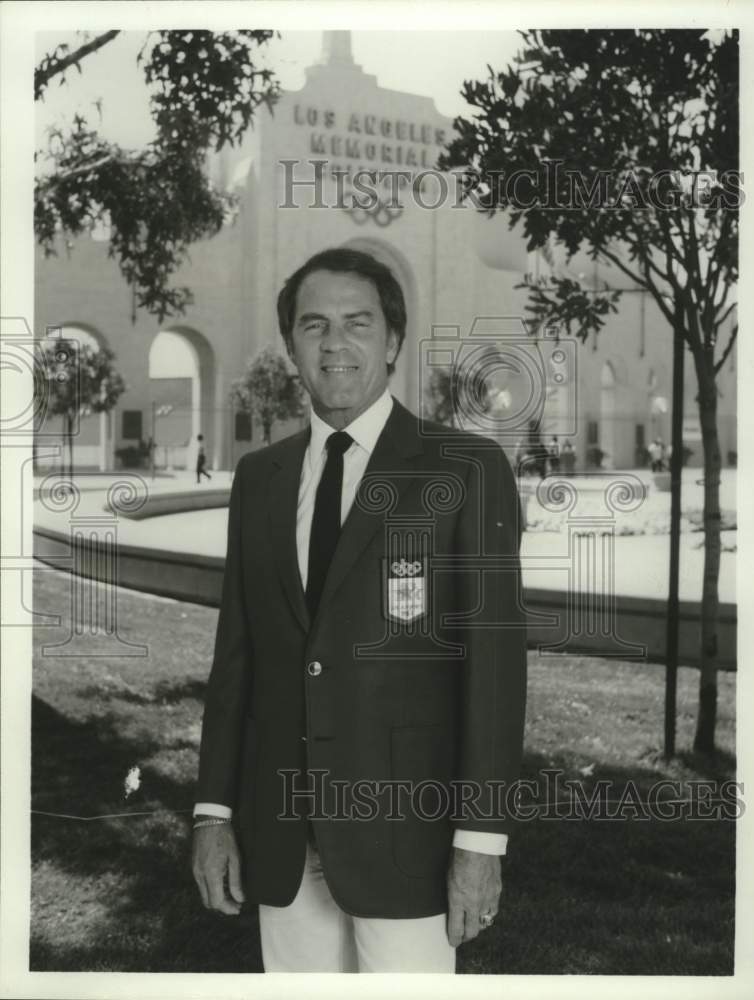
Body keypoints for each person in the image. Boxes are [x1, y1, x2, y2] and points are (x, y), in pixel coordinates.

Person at [191, 248, 527, 973]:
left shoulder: (465, 470)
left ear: (393, 341)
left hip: (412, 838)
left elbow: (495, 674)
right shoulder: (260, 478)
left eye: (357, 323)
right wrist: (213, 813)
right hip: (278, 831)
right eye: (313, 326)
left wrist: (481, 839)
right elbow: (236, 660)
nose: (334, 344)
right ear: (290, 347)